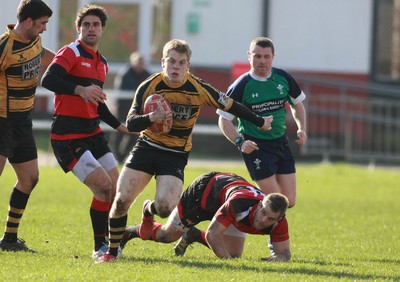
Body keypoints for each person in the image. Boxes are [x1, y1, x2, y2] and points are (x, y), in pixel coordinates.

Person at [95, 39, 273, 263]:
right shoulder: (149, 85)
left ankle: (148, 210)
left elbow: (232, 105)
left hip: (175, 155)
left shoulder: (198, 88)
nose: (175, 67)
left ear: (188, 65)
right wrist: (151, 118)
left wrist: (259, 122)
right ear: (163, 62)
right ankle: (111, 252)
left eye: (181, 62)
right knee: (121, 200)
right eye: (171, 61)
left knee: (165, 207)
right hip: (146, 148)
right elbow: (130, 124)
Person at [41, 4, 130, 259]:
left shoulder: (101, 63)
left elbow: (97, 103)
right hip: (68, 136)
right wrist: (80, 89)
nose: (91, 29)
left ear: (102, 29)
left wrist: (120, 126)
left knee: (115, 189)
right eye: (86, 25)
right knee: (102, 186)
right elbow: (49, 80)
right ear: (79, 28)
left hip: (93, 133)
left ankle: (111, 243)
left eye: (96, 25)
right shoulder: (70, 52)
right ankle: (99, 246)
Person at [119, 171, 291, 261]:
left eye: (270, 219)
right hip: (205, 193)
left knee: (233, 253)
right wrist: (229, 266)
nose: (262, 220)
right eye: (263, 213)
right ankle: (131, 229)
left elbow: (284, 253)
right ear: (260, 205)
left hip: (227, 194)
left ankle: (192, 234)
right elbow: (212, 233)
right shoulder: (239, 204)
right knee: (166, 236)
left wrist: (277, 259)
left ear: (278, 219)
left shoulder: (279, 220)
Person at [217, 37, 307, 208]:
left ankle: (246, 208)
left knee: (290, 200)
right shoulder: (241, 85)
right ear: (249, 56)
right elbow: (223, 119)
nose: (262, 61)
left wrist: (302, 128)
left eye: (266, 56)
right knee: (275, 201)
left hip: (280, 142)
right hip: (256, 146)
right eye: (257, 56)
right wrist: (240, 141)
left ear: (273, 56)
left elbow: (297, 104)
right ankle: (271, 231)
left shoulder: (283, 77)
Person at [0, 0, 54, 252]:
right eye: (42, 23)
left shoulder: (34, 41)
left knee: (30, 178)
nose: (44, 29)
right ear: (29, 21)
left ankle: (9, 239)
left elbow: (46, 57)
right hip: (1, 122)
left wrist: (71, 68)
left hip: (23, 123)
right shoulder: (5, 46)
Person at [111, 52, 150, 163]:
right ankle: (116, 156)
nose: (140, 65)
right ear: (132, 62)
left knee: (135, 134)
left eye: (142, 63)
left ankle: (123, 156)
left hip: (137, 111)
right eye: (138, 62)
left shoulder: (147, 75)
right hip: (123, 109)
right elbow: (121, 94)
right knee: (119, 132)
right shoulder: (125, 75)